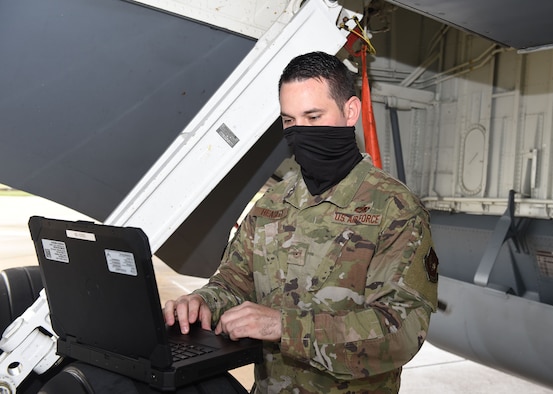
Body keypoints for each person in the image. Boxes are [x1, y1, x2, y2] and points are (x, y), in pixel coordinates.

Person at [164, 51, 438, 393]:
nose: (300, 132)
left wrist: (284, 327)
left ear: (350, 111)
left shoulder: (394, 209)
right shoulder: (272, 204)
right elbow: (234, 283)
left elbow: (402, 330)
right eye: (289, 121)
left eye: (313, 117)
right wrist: (203, 302)